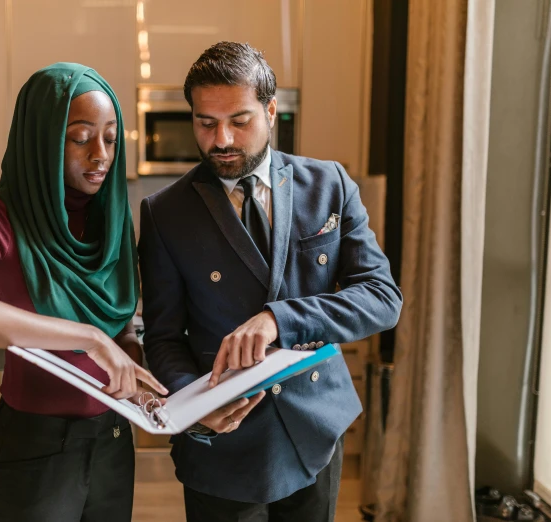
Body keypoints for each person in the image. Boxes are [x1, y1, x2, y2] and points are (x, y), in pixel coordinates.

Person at [138, 42, 403, 521]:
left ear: (271, 110)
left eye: (239, 121)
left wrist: (278, 319)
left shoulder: (330, 185)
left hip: (316, 428)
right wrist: (194, 404)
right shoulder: (163, 213)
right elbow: (161, 337)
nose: (221, 139)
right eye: (205, 122)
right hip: (222, 443)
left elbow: (383, 299)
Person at [0, 63, 167, 522]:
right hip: (34, 449)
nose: (101, 154)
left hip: (113, 440)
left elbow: (119, 325)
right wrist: (89, 338)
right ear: (41, 138)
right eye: (80, 138)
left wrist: (132, 366)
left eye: (111, 138)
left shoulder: (110, 221)